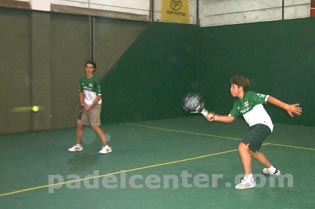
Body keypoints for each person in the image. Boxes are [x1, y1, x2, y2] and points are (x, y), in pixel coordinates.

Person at [203, 75, 302, 189]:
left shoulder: (250, 95)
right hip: (257, 127)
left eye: (233, 87)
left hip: (263, 124)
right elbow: (230, 118)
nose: (230, 89)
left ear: (240, 88)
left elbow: (268, 98)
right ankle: (272, 170)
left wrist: (286, 106)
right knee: (252, 151)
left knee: (242, 147)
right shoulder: (237, 103)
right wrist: (214, 117)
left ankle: (249, 180)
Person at [68, 61, 112, 154]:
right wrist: (82, 104)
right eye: (87, 67)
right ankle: (78, 145)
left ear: (94, 69)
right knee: (79, 125)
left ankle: (106, 146)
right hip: (86, 105)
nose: (88, 69)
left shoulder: (95, 80)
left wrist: (90, 106)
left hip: (95, 105)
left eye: (91, 67)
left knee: (94, 126)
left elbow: (98, 96)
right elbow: (81, 92)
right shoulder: (82, 79)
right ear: (85, 68)